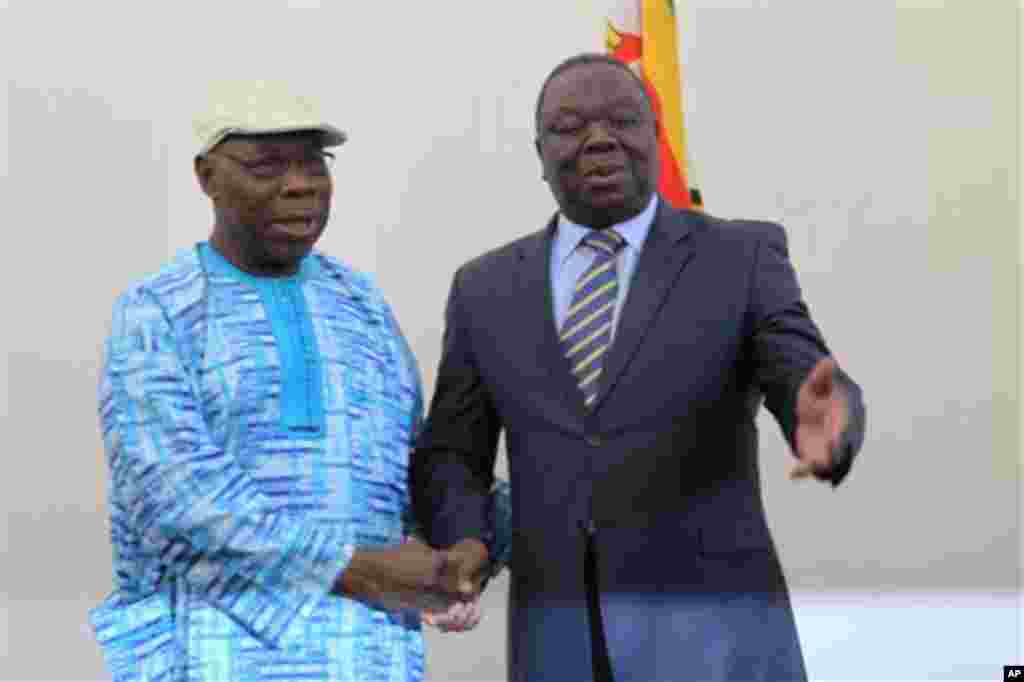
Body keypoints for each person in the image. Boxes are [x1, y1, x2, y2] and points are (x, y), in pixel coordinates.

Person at [411, 53, 866, 682]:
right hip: (559, 646)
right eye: (569, 126)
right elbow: (455, 454)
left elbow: (799, 370)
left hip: (719, 644)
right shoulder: (484, 288)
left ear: (657, 134)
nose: (599, 139)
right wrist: (465, 544)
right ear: (539, 151)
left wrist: (826, 420)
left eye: (624, 119)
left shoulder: (740, 256)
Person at [90, 81, 504, 682]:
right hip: (211, 653)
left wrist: (463, 552)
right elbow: (175, 496)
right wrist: (361, 571)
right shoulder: (158, 310)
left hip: (367, 654)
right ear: (207, 176)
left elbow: (408, 471)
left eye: (314, 165)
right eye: (266, 167)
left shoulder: (359, 303)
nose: (299, 185)